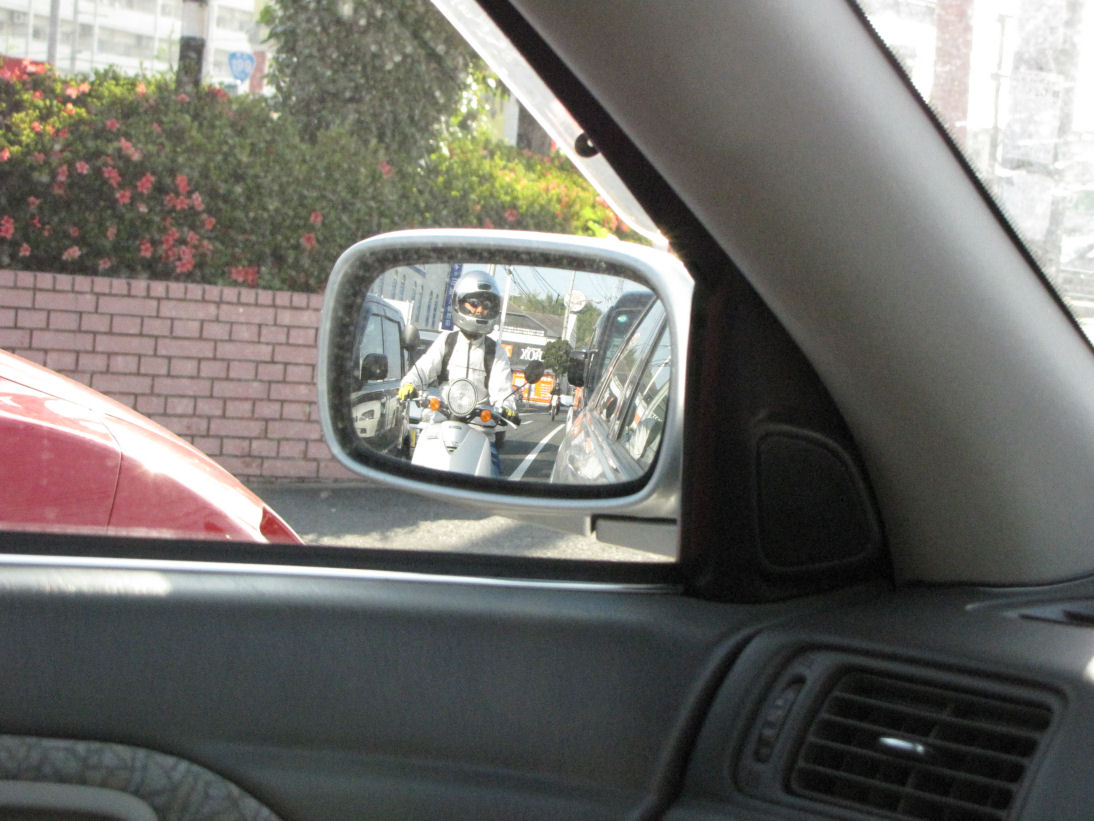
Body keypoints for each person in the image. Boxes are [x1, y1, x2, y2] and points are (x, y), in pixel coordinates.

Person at [397, 270, 516, 477]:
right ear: (458, 303)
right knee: (413, 476)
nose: (479, 310)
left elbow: (503, 389)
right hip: (438, 424)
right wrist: (409, 384)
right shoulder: (447, 341)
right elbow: (422, 369)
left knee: (493, 480)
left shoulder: (495, 351)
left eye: (486, 305)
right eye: (474, 303)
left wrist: (507, 408)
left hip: (479, 433)